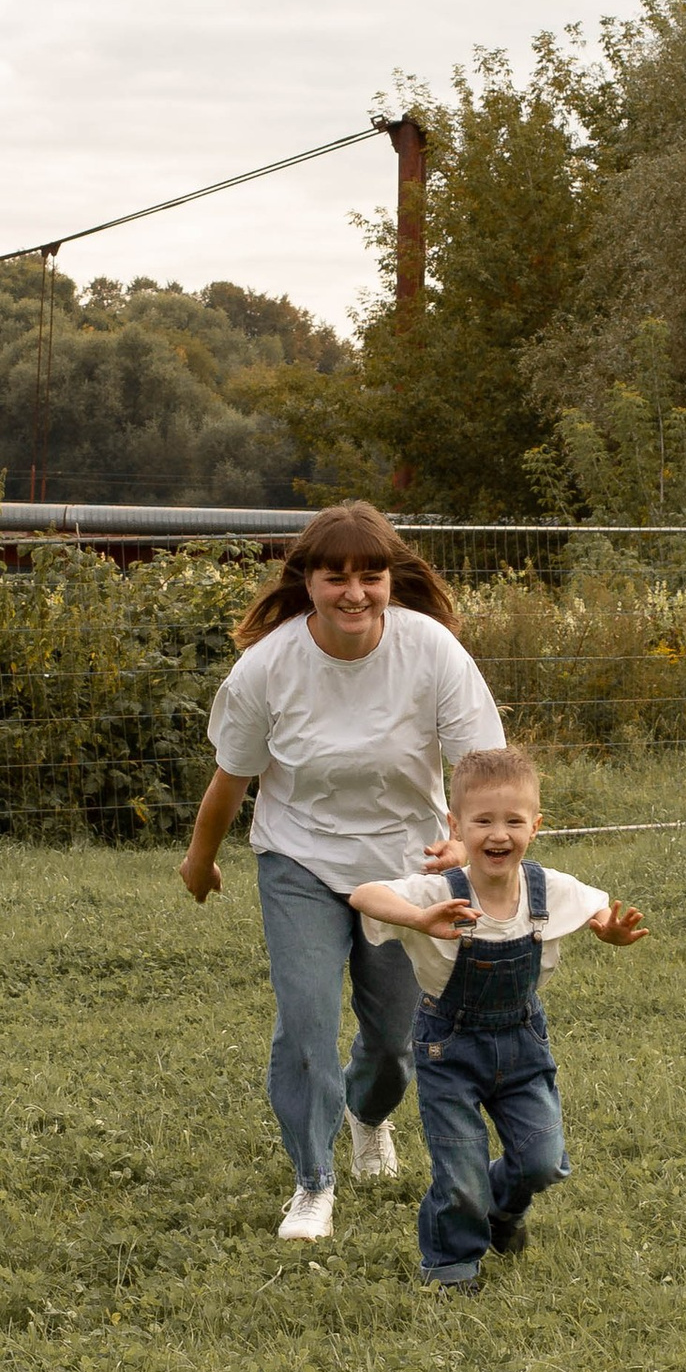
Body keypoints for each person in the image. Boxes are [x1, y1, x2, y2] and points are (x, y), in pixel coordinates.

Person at [179, 502, 503, 1243]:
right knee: (306, 1021)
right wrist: (200, 859)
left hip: (404, 871)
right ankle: (311, 1183)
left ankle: (367, 1115)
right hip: (300, 859)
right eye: (336, 577)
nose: (354, 593)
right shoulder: (268, 667)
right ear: (309, 582)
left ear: (392, 580)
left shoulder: (434, 652)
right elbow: (232, 776)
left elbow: (481, 767)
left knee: (393, 1043)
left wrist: (462, 841)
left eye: (371, 576)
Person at [352, 742, 647, 1293]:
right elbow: (364, 894)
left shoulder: (546, 888)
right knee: (459, 1172)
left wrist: (607, 926)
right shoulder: (439, 891)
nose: (498, 834)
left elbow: (594, 904)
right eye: (482, 820)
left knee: (543, 1162)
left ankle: (503, 1210)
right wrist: (420, 917)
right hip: (449, 1048)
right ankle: (452, 1267)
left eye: (513, 820)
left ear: (535, 825)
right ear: (456, 825)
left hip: (521, 1043)